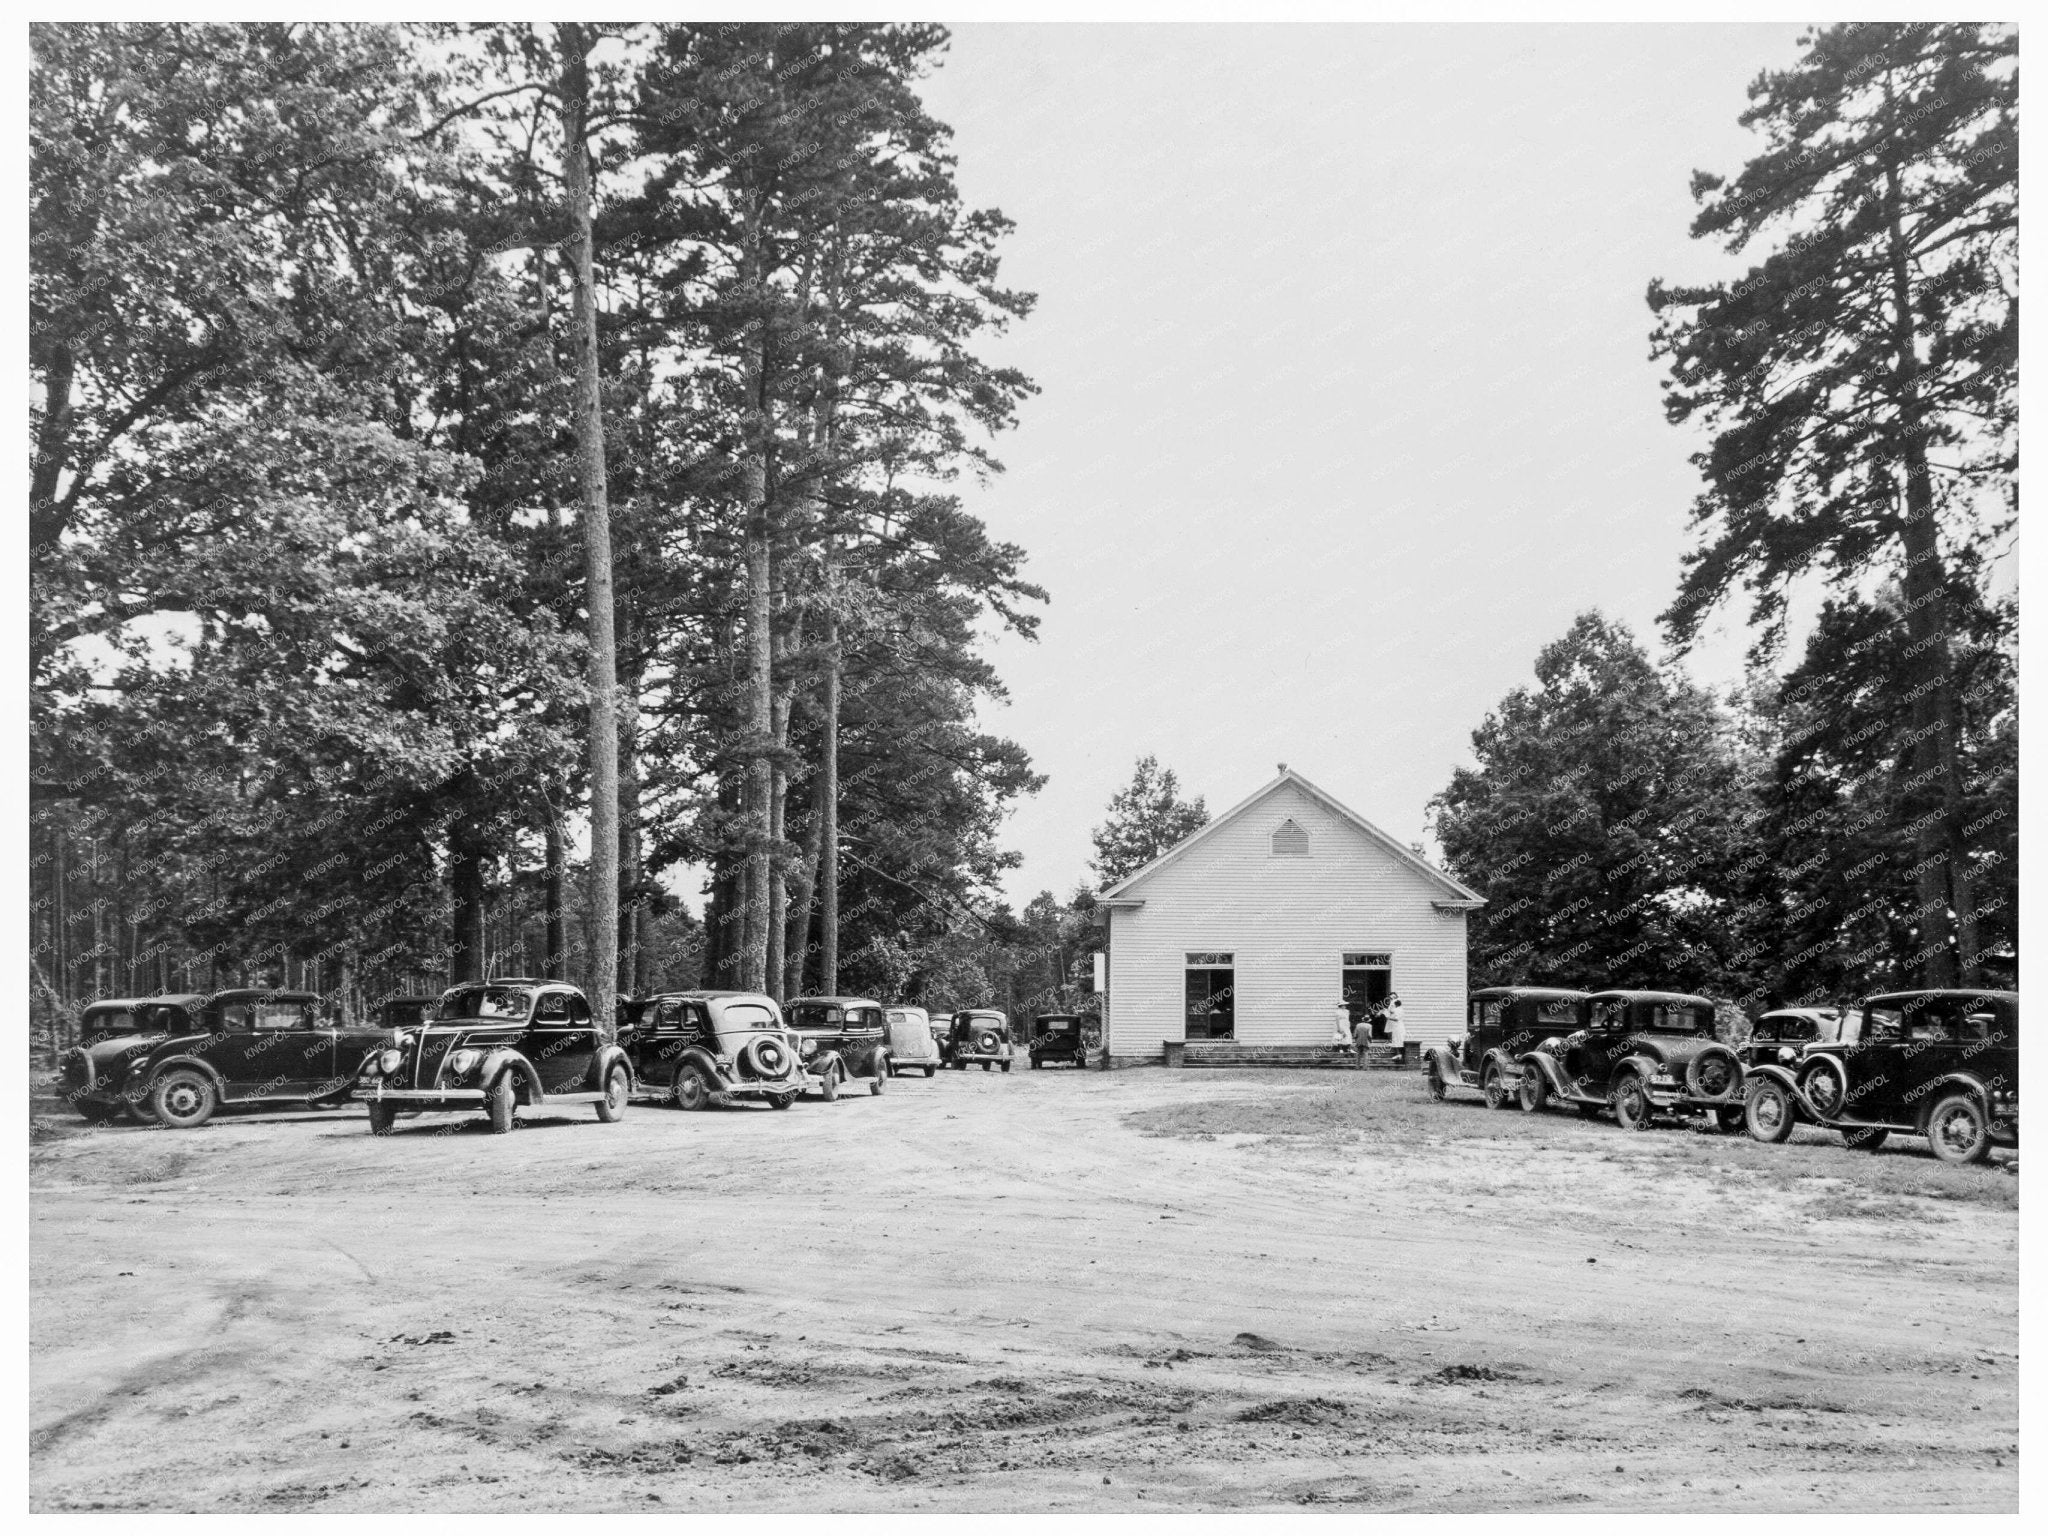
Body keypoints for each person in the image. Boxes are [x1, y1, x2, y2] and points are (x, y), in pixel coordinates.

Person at [1385, 994, 1405, 1058]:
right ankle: (1399, 1054)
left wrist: (1388, 1017)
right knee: (1397, 1038)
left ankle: (1399, 1054)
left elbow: (1395, 1017)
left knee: (1397, 1038)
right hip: (1398, 1024)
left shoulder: (1397, 1009)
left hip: (1397, 1024)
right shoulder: (1401, 1009)